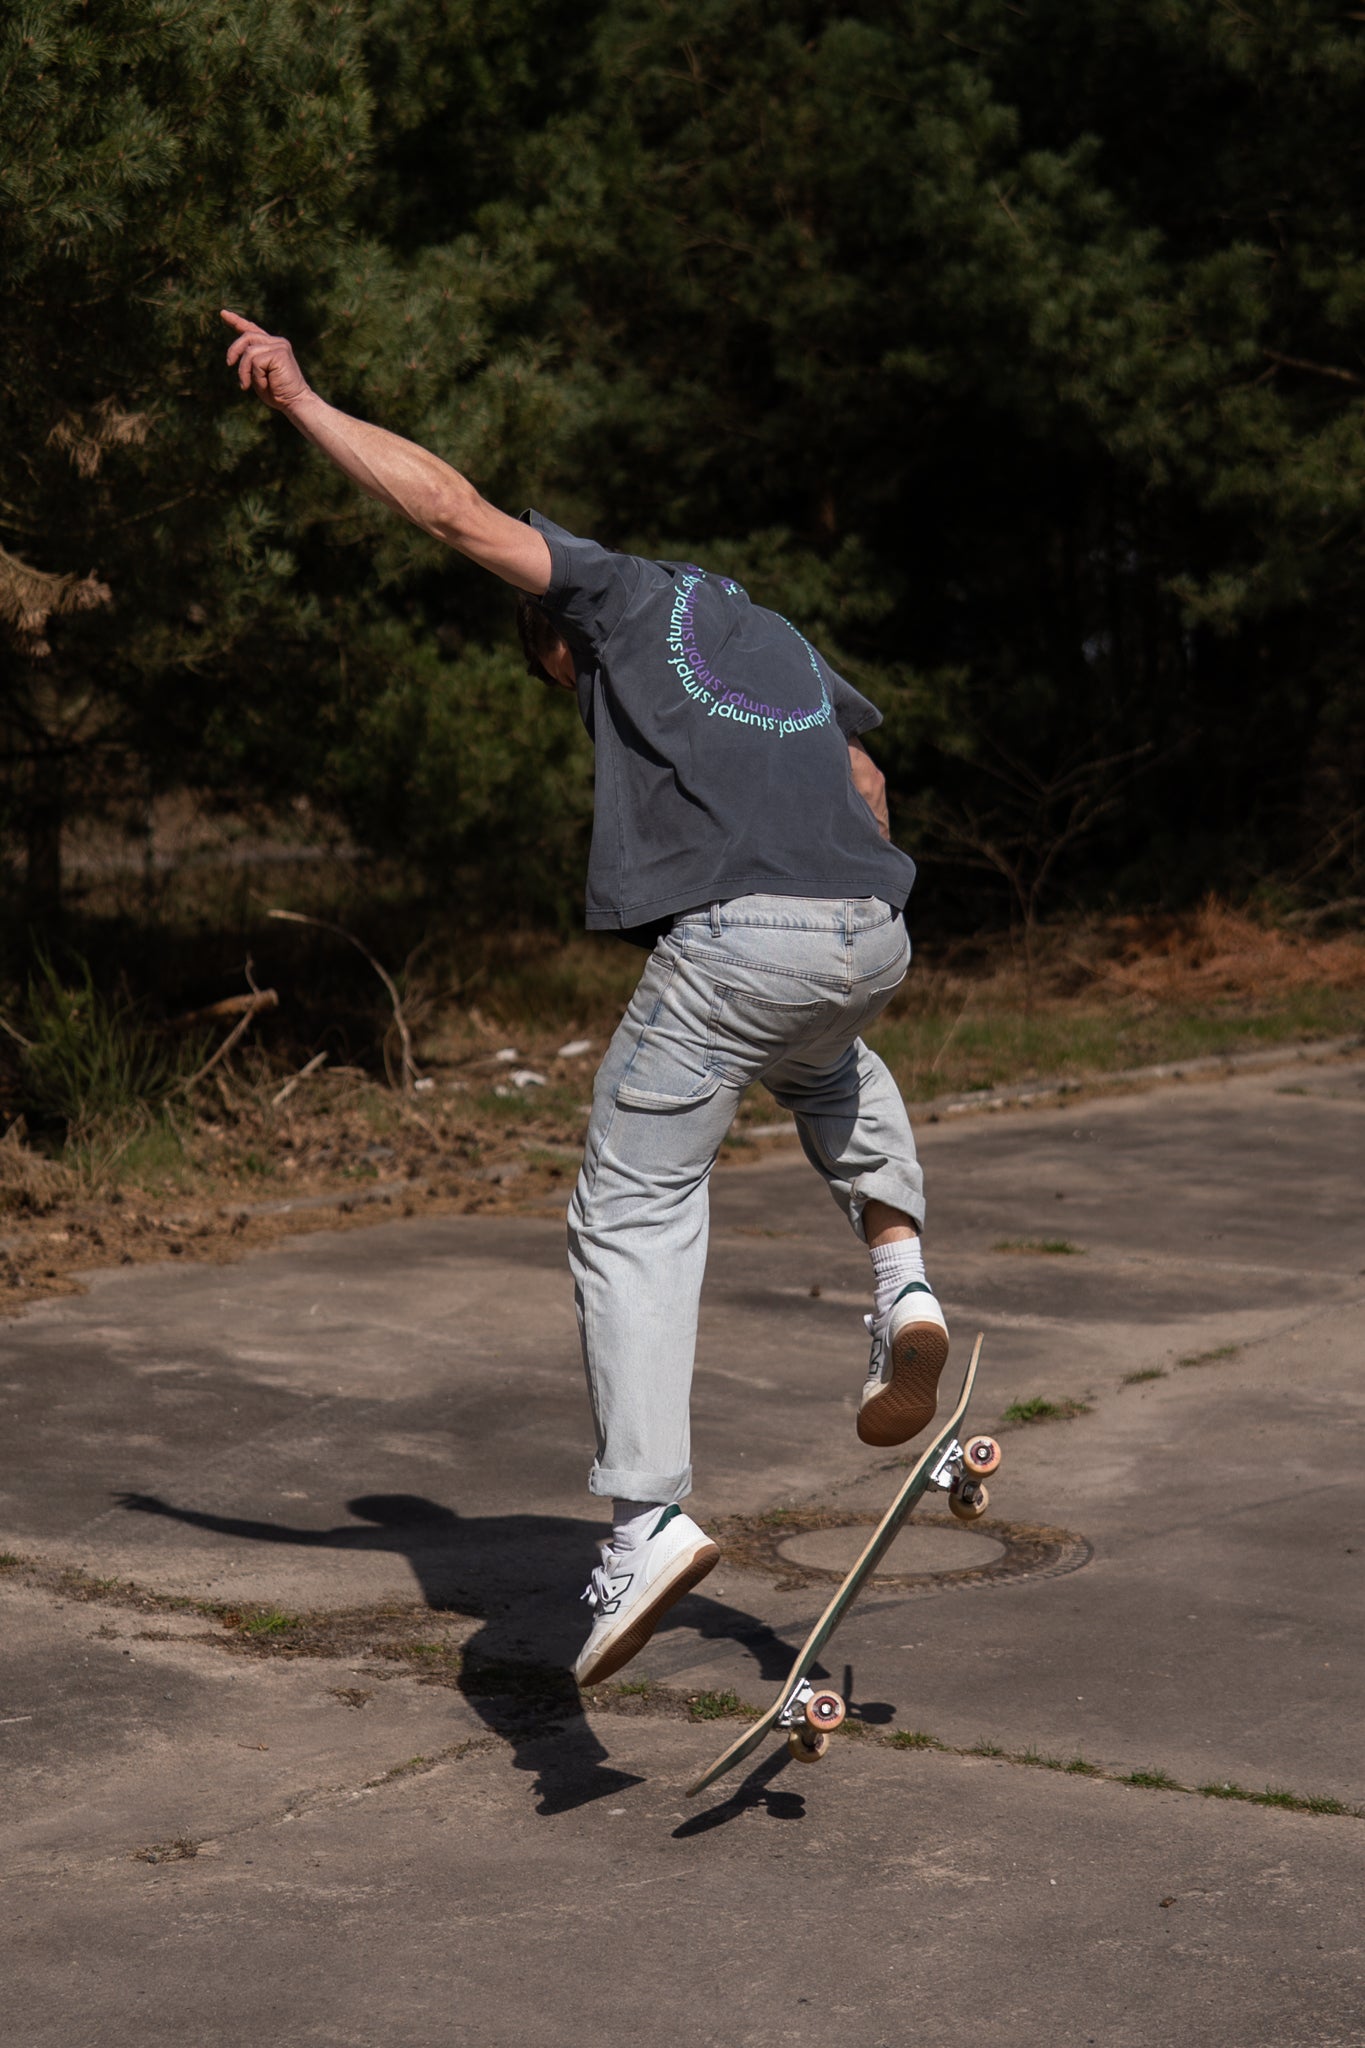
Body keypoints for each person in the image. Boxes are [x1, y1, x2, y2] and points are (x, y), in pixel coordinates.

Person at [222, 309, 949, 1688]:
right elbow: (864, 786)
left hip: (738, 941)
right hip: (871, 923)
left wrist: (304, 403)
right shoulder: (772, 631)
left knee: (631, 1206)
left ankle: (644, 1517)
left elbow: (447, 511)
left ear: (556, 644)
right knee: (822, 1052)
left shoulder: (604, 598)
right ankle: (898, 1277)